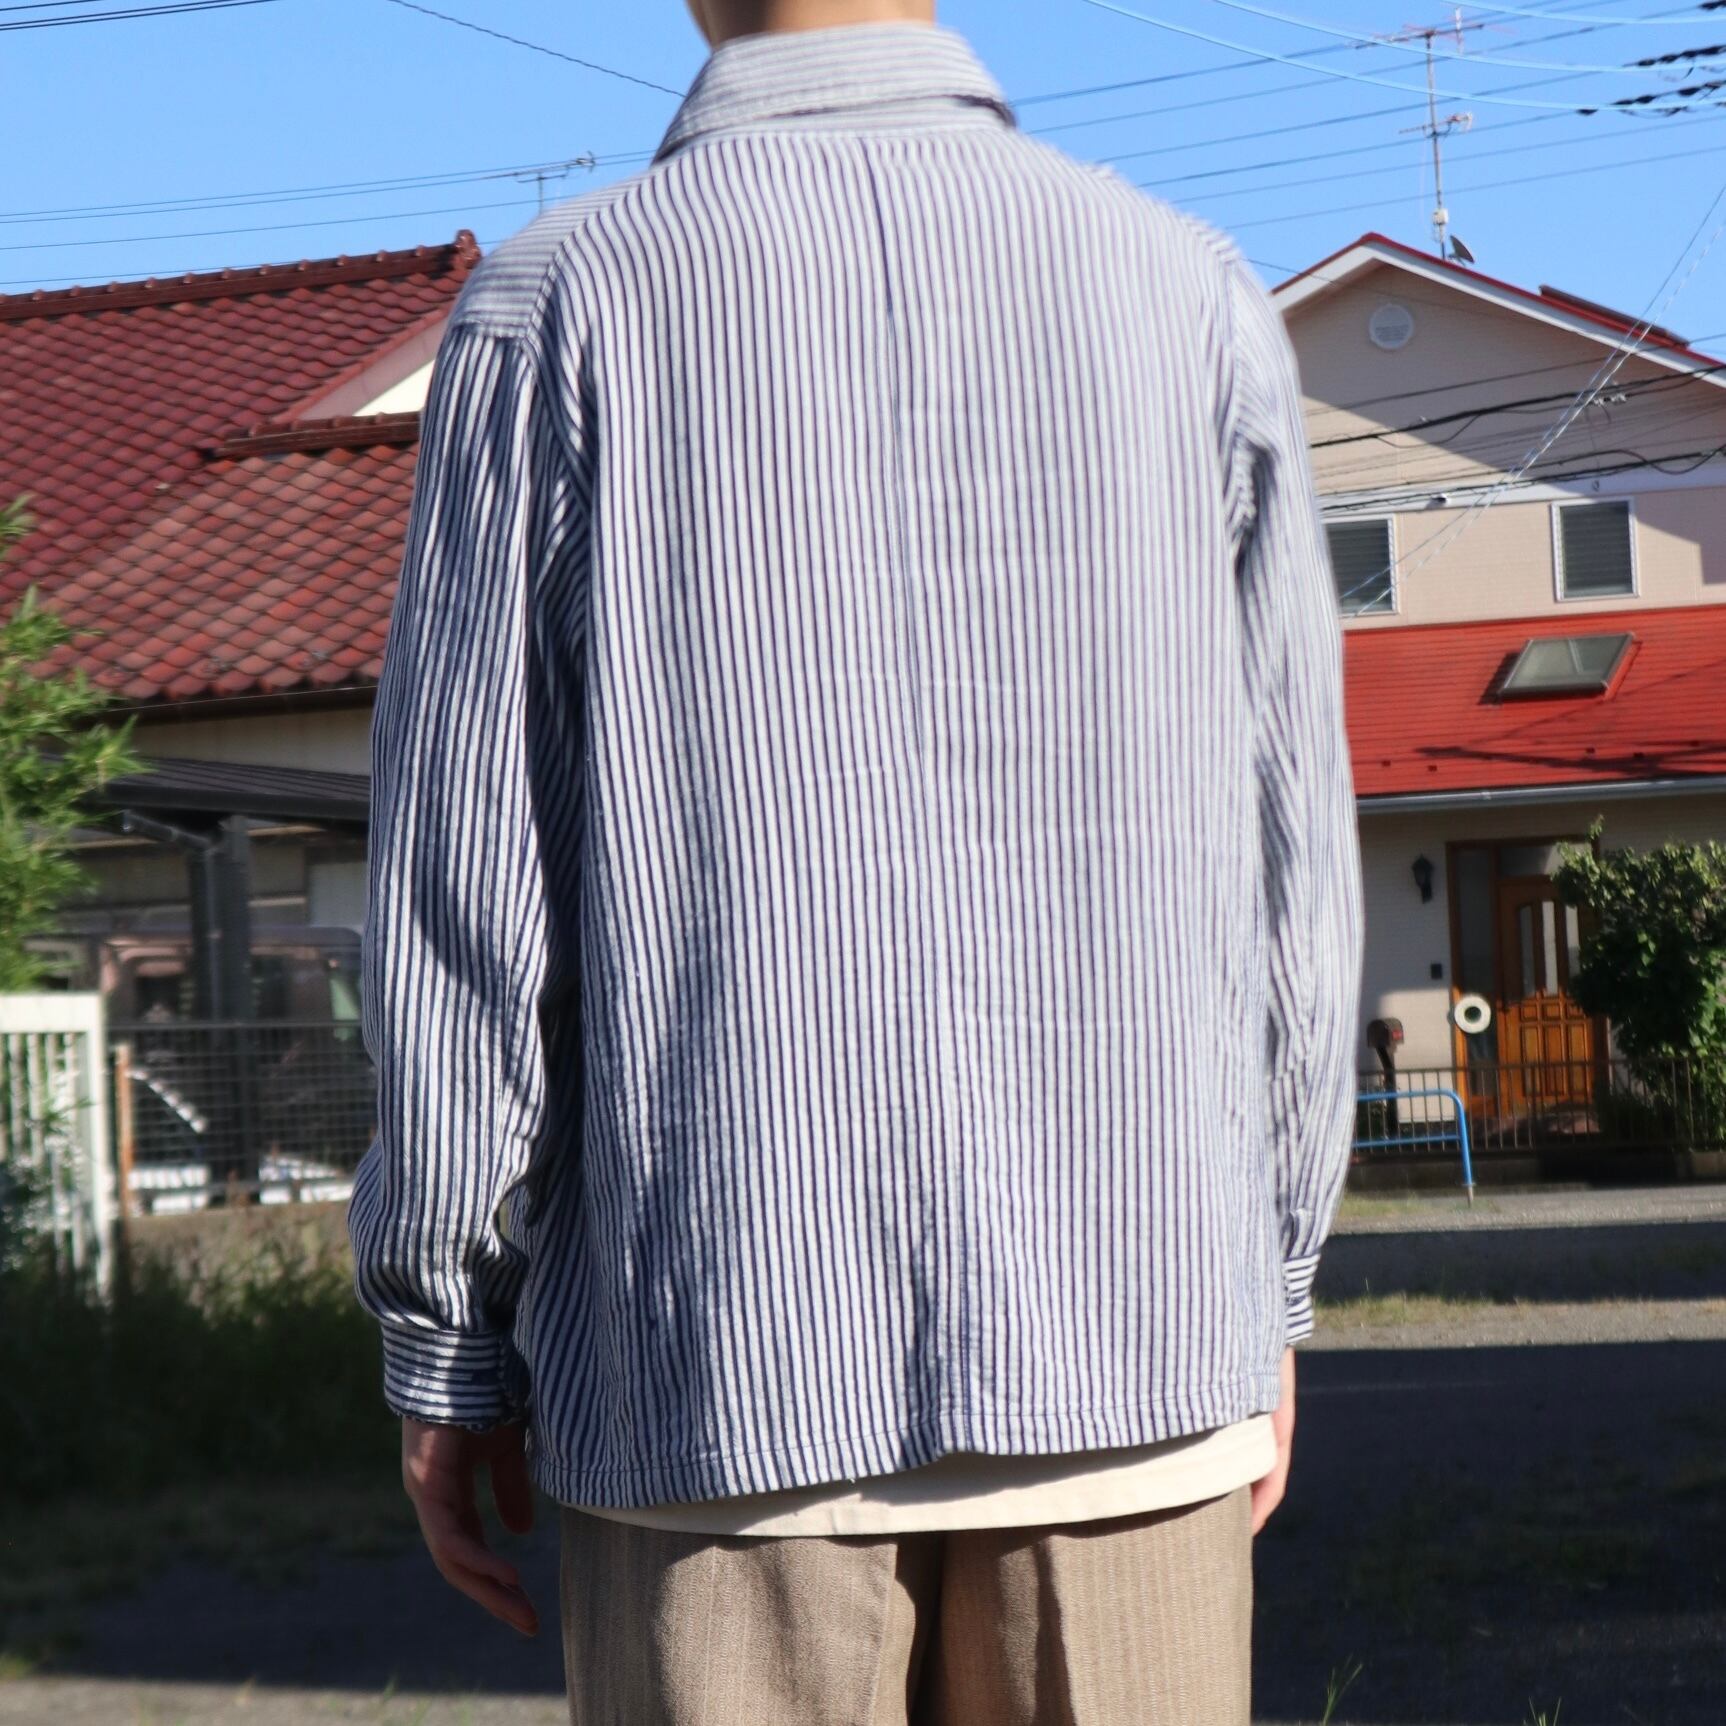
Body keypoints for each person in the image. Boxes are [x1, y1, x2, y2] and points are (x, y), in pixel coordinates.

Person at [347, 0, 1364, 1719]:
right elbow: (1295, 861)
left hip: (714, 1370)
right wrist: (1265, 1271)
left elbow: (467, 883)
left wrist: (446, 1323)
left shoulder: (558, 306)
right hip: (1132, 1346)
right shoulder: (1184, 289)